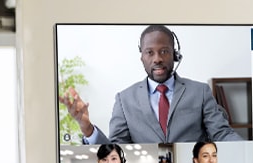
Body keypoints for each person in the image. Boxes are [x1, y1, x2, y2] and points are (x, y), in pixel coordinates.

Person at [59, 24, 243, 144]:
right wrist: (87, 128)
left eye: (164, 51)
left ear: (175, 55)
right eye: (150, 52)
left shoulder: (200, 91)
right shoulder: (124, 100)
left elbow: (222, 134)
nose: (157, 59)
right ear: (142, 57)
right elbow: (115, 151)